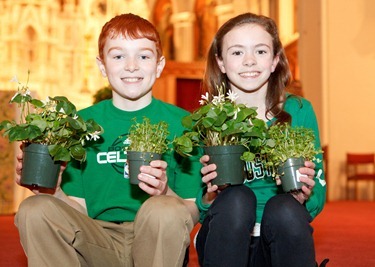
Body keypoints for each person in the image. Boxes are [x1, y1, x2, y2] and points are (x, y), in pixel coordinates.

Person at [14, 13, 202, 267]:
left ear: (159, 65)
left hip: (156, 243)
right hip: (95, 241)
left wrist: (164, 192)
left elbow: (191, 210)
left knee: (164, 209)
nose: (131, 66)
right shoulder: (78, 125)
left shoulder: (183, 125)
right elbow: (77, 211)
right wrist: (53, 189)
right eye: (118, 56)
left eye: (144, 56)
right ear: (102, 66)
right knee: (34, 208)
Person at [194, 13, 327, 267]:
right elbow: (196, 201)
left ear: (275, 59)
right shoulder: (208, 119)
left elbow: (318, 188)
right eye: (236, 53)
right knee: (236, 198)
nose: (249, 61)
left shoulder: (299, 111)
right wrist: (210, 196)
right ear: (220, 62)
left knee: (284, 208)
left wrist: (304, 195)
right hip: (225, 236)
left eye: (261, 51)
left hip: (278, 236)